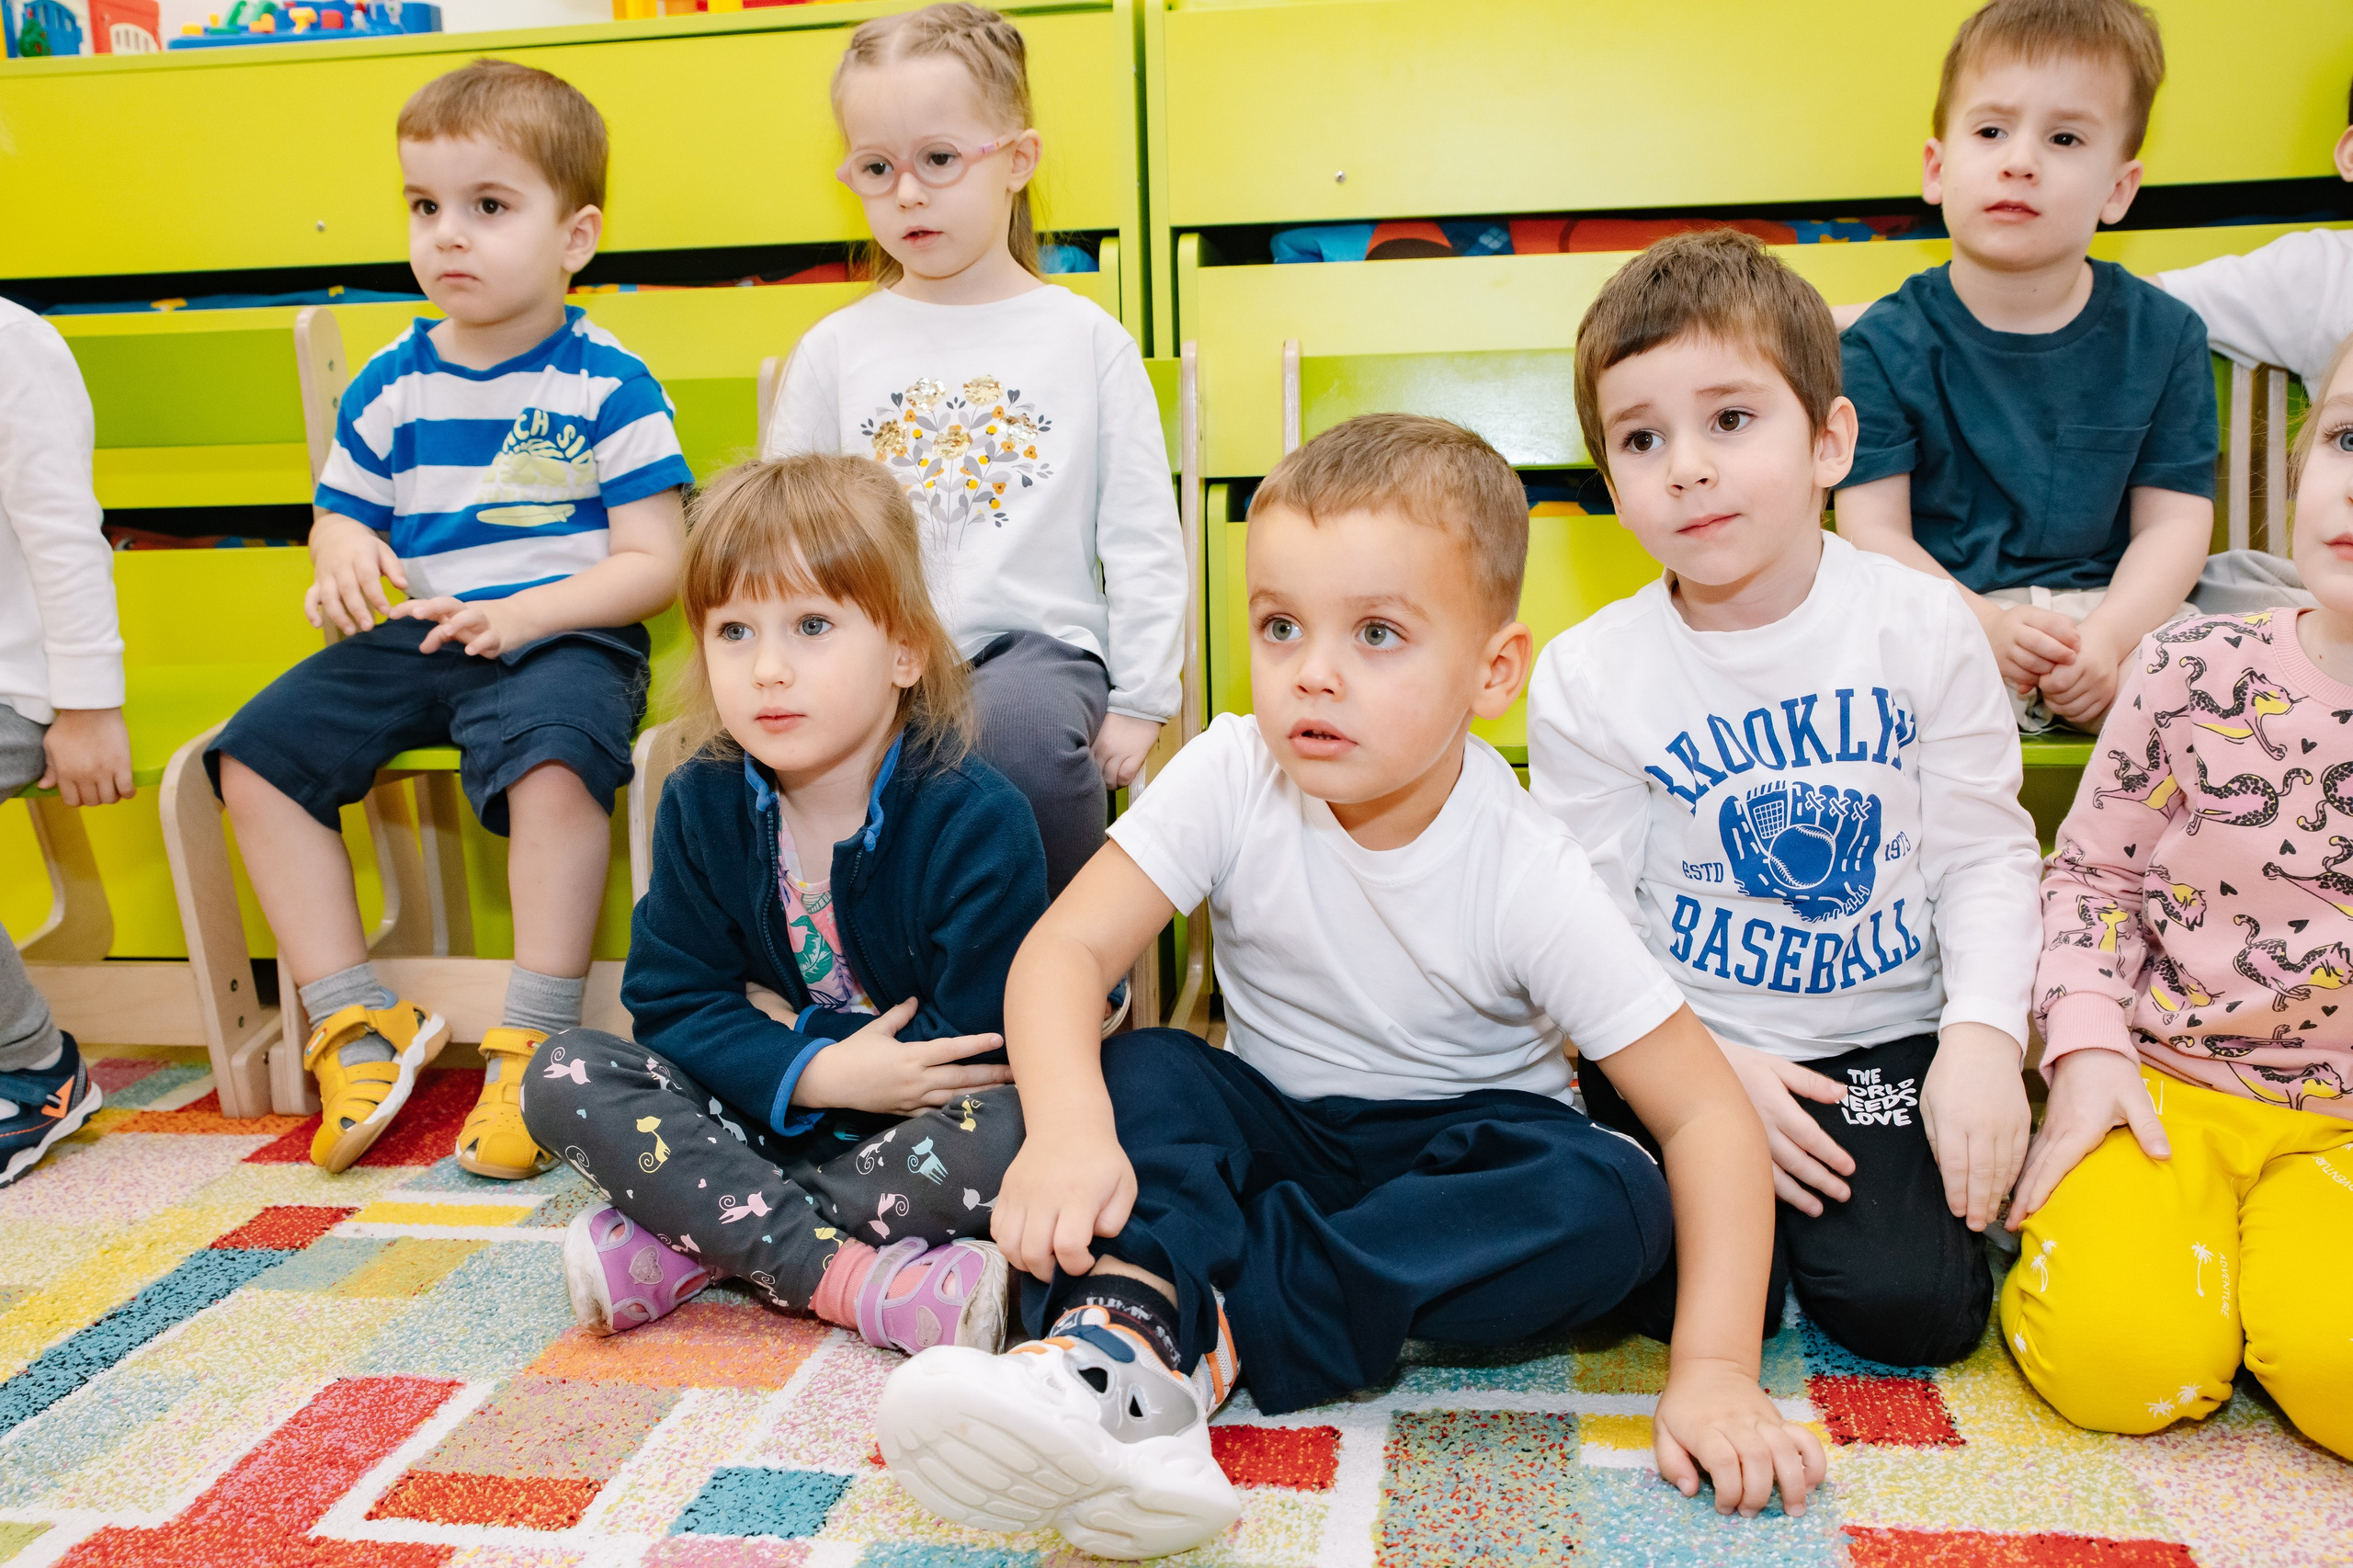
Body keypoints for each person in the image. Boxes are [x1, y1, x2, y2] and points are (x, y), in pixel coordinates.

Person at [870, 414, 1826, 1562]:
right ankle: (1129, 1331)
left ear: (1492, 673)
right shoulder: (1231, 766)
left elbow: (1705, 1111)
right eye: (1280, 626)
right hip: (1274, 1127)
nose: (1312, 671)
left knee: (1611, 1197)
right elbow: (1063, 955)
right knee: (1148, 1068)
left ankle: (1179, 1323)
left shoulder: (1528, 866)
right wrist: (1072, 1132)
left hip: (1459, 1160)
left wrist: (1714, 1372)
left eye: (1377, 632)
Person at [1528, 231, 2044, 1369]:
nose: (1687, 467)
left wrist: (1981, 1036)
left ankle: (1856, 1216)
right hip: (1676, 1032)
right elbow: (1587, 919)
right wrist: (1696, 1069)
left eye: (1729, 419)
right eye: (1641, 438)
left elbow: (1983, 853)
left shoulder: (1922, 625)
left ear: (1828, 441)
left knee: (1910, 1312)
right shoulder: (1587, 672)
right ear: (1611, 484)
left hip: (1881, 1035)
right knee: (1670, 1293)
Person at [206, 59, 692, 1176]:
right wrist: (341, 552)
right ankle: (352, 1016)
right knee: (254, 760)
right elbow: (339, 516)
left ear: (575, 237)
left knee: (557, 760)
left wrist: (526, 616)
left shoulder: (605, 381)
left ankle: (538, 1037)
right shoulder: (390, 380)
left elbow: (654, 562)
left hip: (563, 632)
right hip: (422, 628)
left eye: (488, 207)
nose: (447, 237)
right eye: (426, 207)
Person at [522, 453, 1049, 1350]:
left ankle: (703, 1239)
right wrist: (814, 1070)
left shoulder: (977, 818)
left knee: (1024, 1127)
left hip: (912, 1134)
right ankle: (845, 1276)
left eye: (811, 624)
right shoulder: (700, 798)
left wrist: (790, 1040)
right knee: (564, 1072)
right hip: (758, 1109)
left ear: (903, 650)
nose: (767, 668)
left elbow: (977, 1045)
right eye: (733, 631)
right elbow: (672, 1001)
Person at [2000, 331, 2353, 1463]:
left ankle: (2276, 1291)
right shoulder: (2190, 665)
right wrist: (2088, 1048)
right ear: (2303, 464)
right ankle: (2213, 1282)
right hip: (2164, 1084)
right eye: (2349, 438)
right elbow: (2092, 874)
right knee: (2117, 1362)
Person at [763, 2, 1187, 914]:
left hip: (1030, 653)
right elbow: (777, 541)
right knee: (764, 761)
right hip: (869, 656)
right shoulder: (835, 349)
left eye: (939, 160)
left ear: (1017, 163)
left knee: (1018, 737)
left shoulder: (1085, 340)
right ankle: (878, 975)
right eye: (876, 168)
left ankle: (1061, 967)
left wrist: (1144, 695)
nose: (906, 193)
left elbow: (1145, 536)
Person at [1834, 0, 2217, 736]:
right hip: (1943, 612)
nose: (2020, 159)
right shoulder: (1882, 344)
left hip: (2115, 615)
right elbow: (1872, 532)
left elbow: (2173, 523)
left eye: (2065, 137)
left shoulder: (2165, 336)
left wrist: (2108, 639)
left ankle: (2145, 855)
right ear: (1938, 169)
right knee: (1859, 676)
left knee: (2209, 678)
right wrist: (1986, 624)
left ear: (2118, 190)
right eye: (1990, 130)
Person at [0, 297, 125, 1184]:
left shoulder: (15, 347)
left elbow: (63, 538)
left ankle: (32, 1066)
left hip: (19, 689)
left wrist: (85, 705)